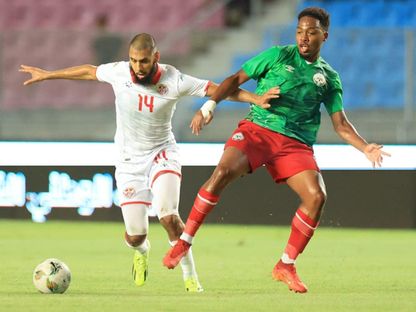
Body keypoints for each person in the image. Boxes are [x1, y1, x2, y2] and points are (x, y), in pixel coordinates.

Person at [19, 33, 275, 292]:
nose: (137, 67)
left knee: (168, 216)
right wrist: (48, 74)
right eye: (133, 60)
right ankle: (141, 250)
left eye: (143, 61)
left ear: (156, 57)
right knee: (135, 235)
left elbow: (217, 89)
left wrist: (255, 99)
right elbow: (89, 71)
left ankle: (191, 278)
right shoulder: (119, 72)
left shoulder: (173, 79)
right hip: (129, 161)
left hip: (162, 153)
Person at [163, 7, 391, 293]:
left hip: (295, 144)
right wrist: (209, 106)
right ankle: (184, 241)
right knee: (222, 171)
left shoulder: (329, 78)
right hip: (257, 131)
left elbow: (341, 124)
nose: (304, 37)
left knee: (316, 196)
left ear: (325, 36)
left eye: (311, 32)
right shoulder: (278, 55)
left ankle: (286, 264)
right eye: (299, 31)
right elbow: (235, 79)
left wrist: (365, 146)